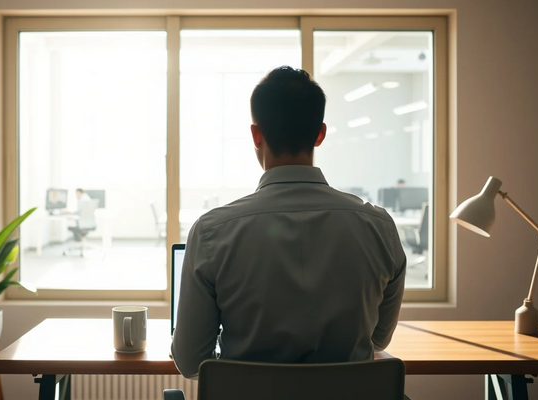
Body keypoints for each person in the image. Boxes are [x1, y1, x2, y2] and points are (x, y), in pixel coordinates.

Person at [171, 66, 407, 379]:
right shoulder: (379, 228)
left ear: (257, 135)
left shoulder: (213, 231)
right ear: (320, 134)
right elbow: (377, 340)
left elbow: (190, 361)